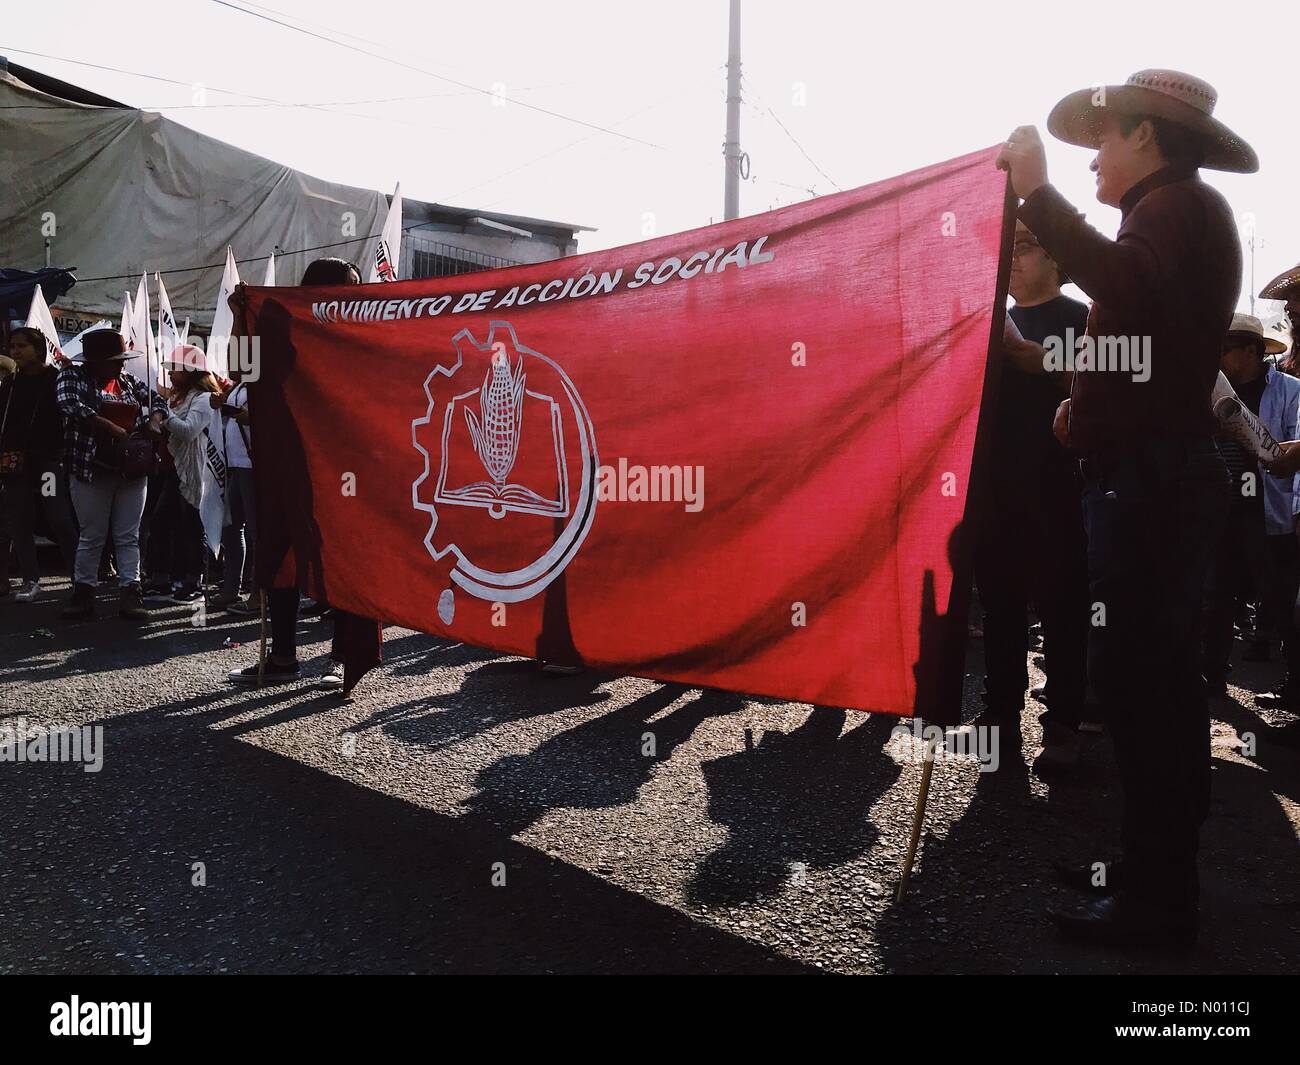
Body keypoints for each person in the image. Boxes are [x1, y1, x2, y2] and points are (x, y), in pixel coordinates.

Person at [997, 68, 1254, 947]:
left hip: (1153, 484)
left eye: (1104, 139)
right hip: (1143, 474)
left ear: (1147, 135)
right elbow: (1146, 340)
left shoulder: (1175, 207)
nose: (1094, 157)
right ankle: (1147, 873)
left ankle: (1157, 899)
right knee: (1146, 689)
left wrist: (1038, 189)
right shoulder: (1173, 215)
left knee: (1147, 693)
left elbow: (1121, 283)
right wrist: (1088, 407)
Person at [228, 257, 371, 689]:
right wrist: (240, 316)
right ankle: (283, 657)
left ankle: (341, 658)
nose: (353, 294)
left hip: (346, 463)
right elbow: (241, 369)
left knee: (341, 557)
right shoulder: (278, 319)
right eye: (347, 286)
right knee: (280, 556)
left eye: (358, 287)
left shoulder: (361, 329)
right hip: (290, 458)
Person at [979, 223, 1091, 772]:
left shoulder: (1084, 319)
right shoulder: (985, 319)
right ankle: (997, 720)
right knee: (1000, 609)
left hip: (1059, 491)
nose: (1012, 258)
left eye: (1023, 246)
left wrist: (1026, 355)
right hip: (993, 492)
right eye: (1009, 247)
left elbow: (1096, 388)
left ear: (1055, 257)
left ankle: (1064, 724)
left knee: (1063, 612)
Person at [1203, 315, 1300, 700]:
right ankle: (1210, 674)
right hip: (1220, 506)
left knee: (1279, 596)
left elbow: (1293, 447)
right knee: (1215, 594)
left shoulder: (1290, 391)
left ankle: (1294, 684)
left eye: (1227, 350)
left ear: (1251, 351)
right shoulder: (1210, 390)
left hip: (1267, 509)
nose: (1221, 358)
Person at [56, 330, 168, 620]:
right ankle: (83, 593)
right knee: (92, 534)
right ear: (96, 362)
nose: (121, 366)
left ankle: (131, 591)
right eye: (115, 361)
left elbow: (158, 401)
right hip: (90, 467)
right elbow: (70, 404)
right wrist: (109, 426)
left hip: (131, 469)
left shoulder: (128, 382)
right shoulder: (72, 378)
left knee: (128, 535)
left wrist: (155, 420)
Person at [0, 326, 78, 599]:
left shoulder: (56, 379)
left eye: (22, 346)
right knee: (19, 519)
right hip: (14, 465)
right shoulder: (10, 384)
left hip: (48, 463)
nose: (16, 352)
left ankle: (78, 577)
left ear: (38, 349)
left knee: (59, 518)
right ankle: (30, 580)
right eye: (12, 347)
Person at [150, 344, 222, 603]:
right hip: (171, 468)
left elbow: (188, 430)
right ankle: (162, 579)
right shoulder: (176, 397)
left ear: (191, 372)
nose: (169, 374)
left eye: (175, 369)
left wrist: (163, 414)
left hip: (192, 471)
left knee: (190, 526)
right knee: (161, 522)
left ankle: (193, 582)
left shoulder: (202, 399)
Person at [213, 362, 257, 613]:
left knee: (256, 532)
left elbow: (259, 418)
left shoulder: (259, 386)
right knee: (231, 528)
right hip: (235, 466)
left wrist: (228, 409)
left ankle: (258, 595)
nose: (230, 365)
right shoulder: (239, 387)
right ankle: (231, 588)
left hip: (252, 467)